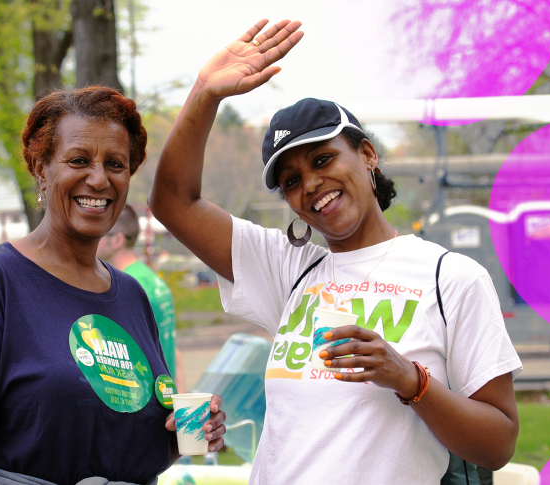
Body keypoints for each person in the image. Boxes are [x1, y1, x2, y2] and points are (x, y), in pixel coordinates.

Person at [148, 20, 521, 485]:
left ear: (366, 154)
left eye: (323, 160)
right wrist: (205, 92)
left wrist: (411, 380)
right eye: (291, 182)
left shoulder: (451, 278)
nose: (311, 186)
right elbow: (172, 202)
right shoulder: (289, 268)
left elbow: (498, 443)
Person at [0, 86, 228, 485]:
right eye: (79, 160)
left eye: (116, 164)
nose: (99, 179)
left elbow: (132, 449)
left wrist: (194, 431)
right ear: (40, 168)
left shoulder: (132, 296)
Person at [96, 205, 180, 383]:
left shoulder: (126, 286)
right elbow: (173, 351)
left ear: (117, 240)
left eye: (98, 233)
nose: (91, 239)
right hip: (165, 397)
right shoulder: (151, 278)